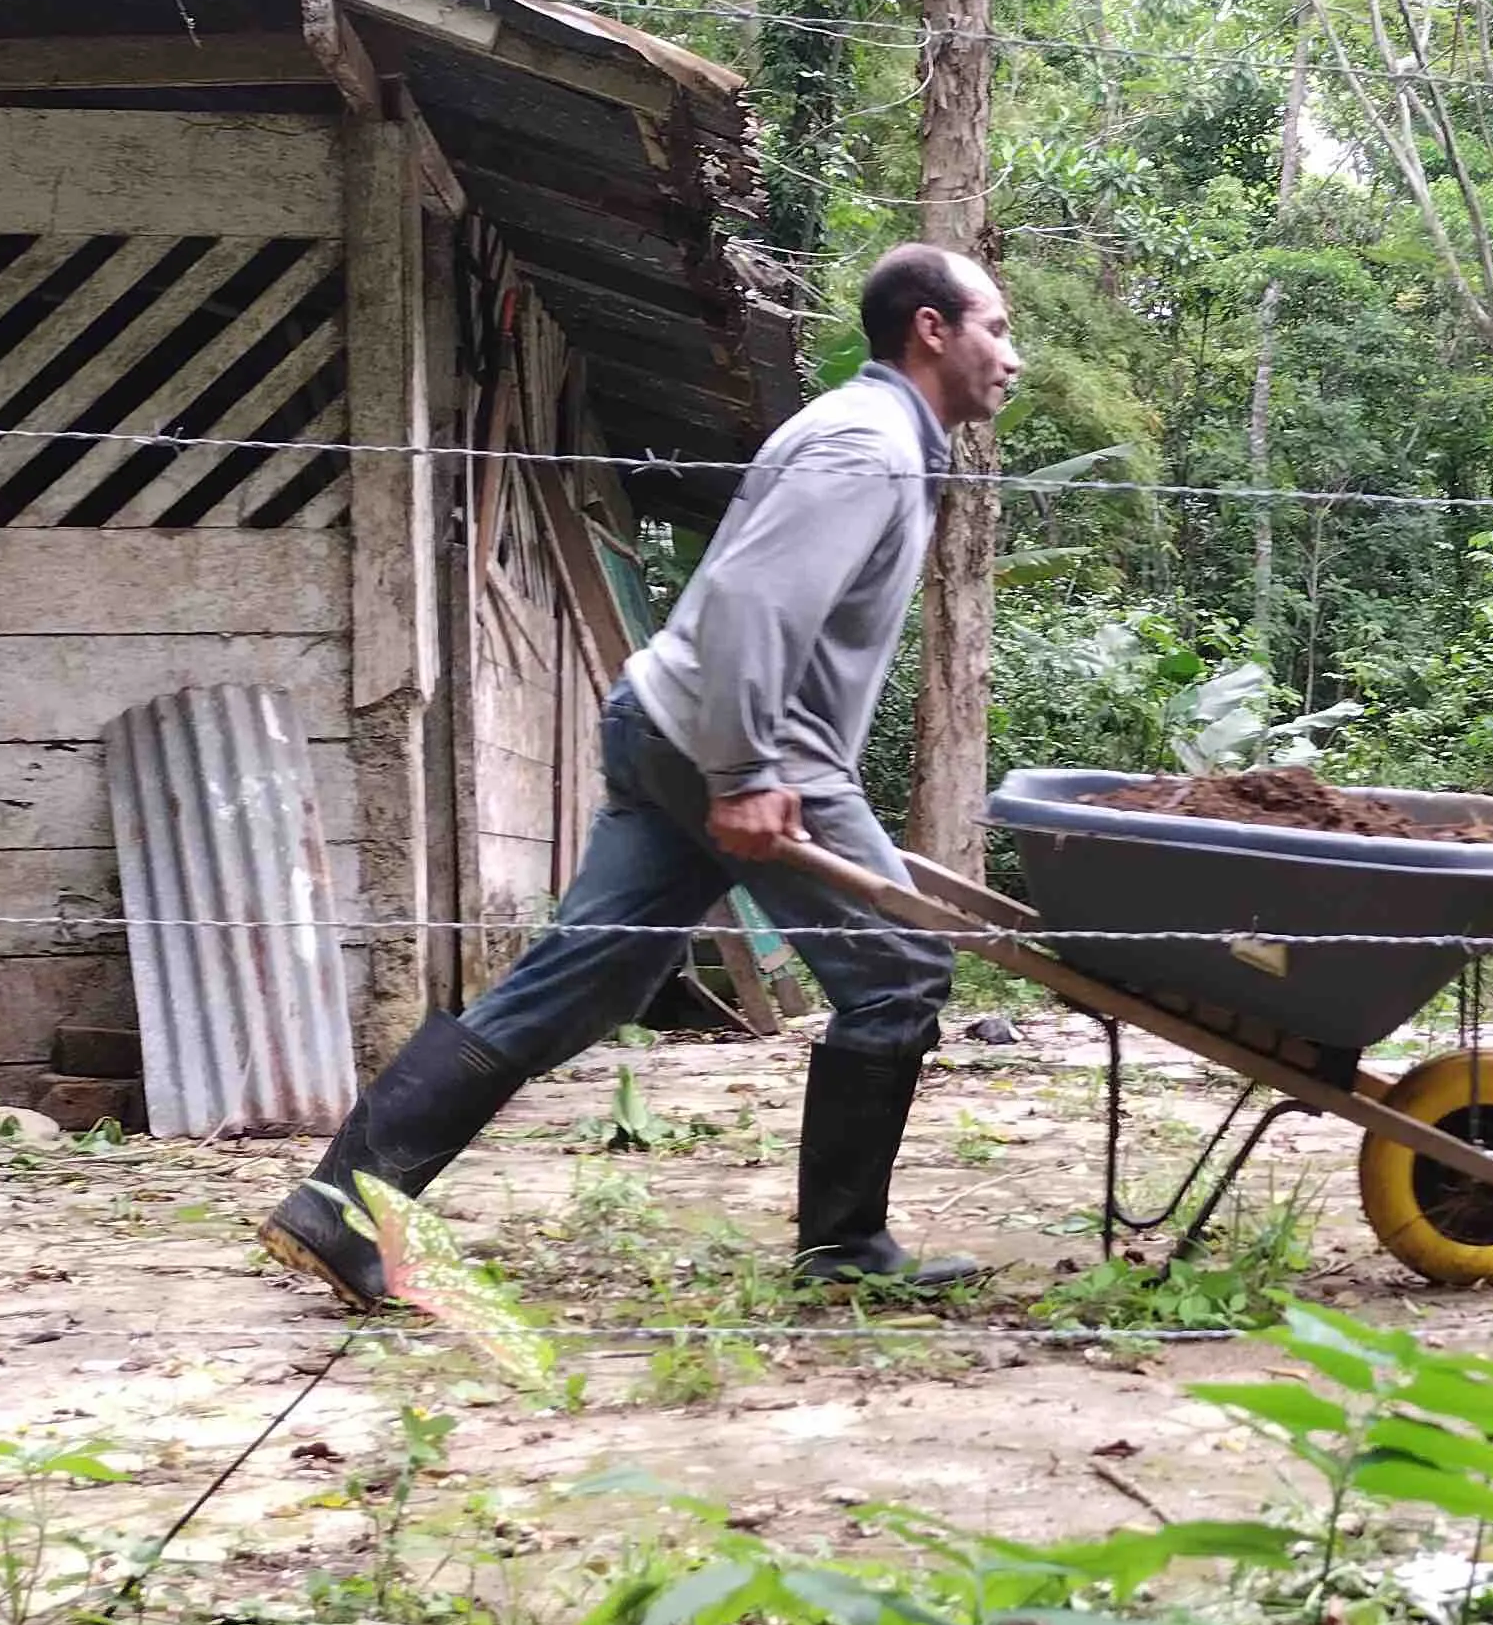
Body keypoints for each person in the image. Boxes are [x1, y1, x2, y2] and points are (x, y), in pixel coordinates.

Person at [261, 241, 1024, 1308]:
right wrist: (750, 768)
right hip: (737, 740)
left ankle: (340, 1208)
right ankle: (843, 1250)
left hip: (669, 722)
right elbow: (757, 609)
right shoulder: (865, 446)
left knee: (578, 984)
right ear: (930, 330)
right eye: (995, 327)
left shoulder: (881, 436)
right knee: (898, 975)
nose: (1012, 357)